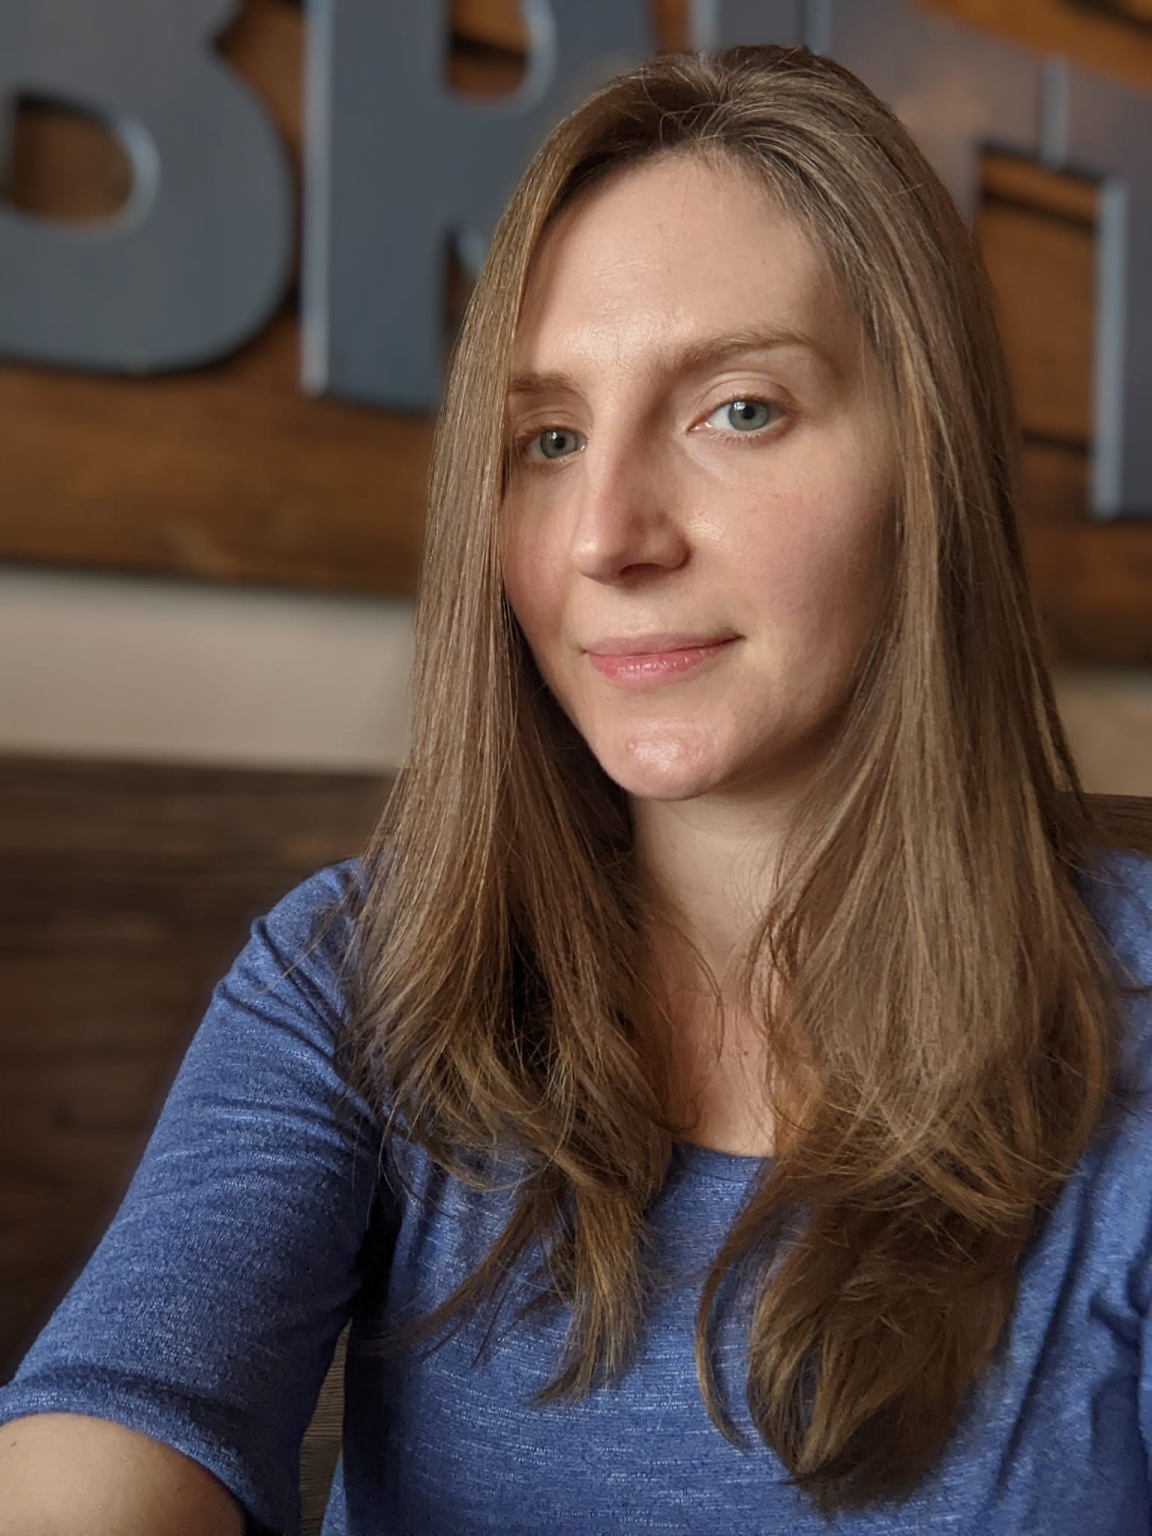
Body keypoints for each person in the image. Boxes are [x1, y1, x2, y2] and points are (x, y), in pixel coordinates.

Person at [3, 40, 1152, 1536]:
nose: (607, 535)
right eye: (547, 439)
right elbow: (104, 1440)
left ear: (926, 467)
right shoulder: (354, 976)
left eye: (739, 408)